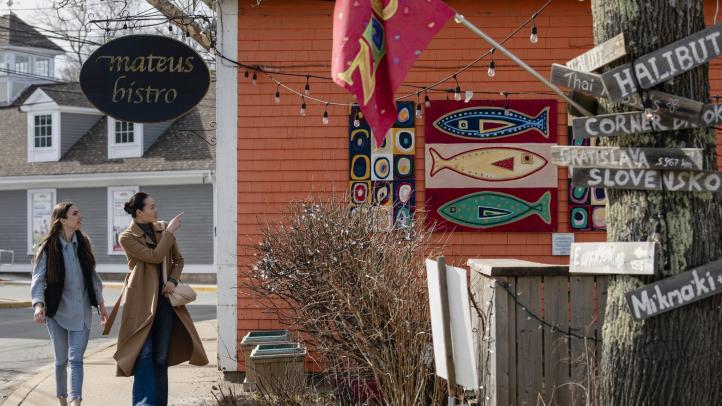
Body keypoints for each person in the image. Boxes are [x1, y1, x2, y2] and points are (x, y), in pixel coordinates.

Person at [102, 192, 208, 406]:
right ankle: (144, 404)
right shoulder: (127, 237)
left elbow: (178, 260)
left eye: (155, 206)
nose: (155, 210)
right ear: (139, 212)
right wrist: (169, 232)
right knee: (144, 355)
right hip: (140, 303)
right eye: (151, 207)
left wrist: (172, 281)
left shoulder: (162, 229)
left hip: (165, 303)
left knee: (160, 358)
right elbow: (154, 256)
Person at [30, 202, 109, 406]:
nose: (80, 216)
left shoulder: (83, 244)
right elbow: (38, 278)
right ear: (63, 220)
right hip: (56, 311)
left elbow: (92, 276)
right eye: (75, 213)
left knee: (76, 359)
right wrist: (38, 304)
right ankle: (62, 398)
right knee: (61, 360)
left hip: (82, 310)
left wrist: (100, 302)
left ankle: (76, 400)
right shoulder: (48, 248)